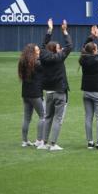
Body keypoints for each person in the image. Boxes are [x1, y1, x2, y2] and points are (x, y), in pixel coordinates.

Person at [39, 18, 72, 151]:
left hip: (49, 91)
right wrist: (65, 32)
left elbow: (42, 45)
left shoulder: (43, 55)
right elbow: (69, 46)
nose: (61, 49)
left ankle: (44, 142)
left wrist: (50, 30)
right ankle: (53, 144)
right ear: (55, 50)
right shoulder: (59, 57)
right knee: (57, 119)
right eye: (59, 48)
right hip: (59, 91)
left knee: (48, 117)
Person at [18, 43, 45, 148]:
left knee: (26, 118)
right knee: (43, 116)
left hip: (25, 93)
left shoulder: (23, 62)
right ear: (32, 53)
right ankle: (39, 140)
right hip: (35, 93)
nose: (39, 52)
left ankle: (24, 141)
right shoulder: (37, 64)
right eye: (37, 51)